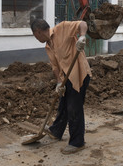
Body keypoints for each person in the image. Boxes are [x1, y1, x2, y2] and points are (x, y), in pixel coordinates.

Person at [30, 18, 91, 154]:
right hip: (65, 77)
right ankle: (56, 131)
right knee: (63, 103)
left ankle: (77, 142)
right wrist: (58, 82)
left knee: (73, 107)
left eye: (35, 36)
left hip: (79, 74)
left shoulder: (62, 28)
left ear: (38, 32)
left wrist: (82, 37)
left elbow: (82, 24)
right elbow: (55, 66)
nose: (36, 38)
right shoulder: (48, 46)